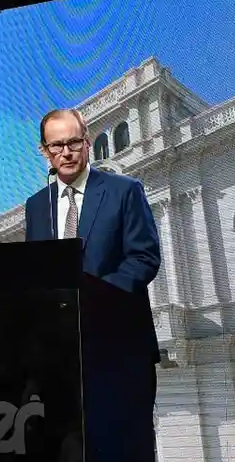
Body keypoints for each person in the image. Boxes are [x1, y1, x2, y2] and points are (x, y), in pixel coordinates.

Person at [23, 108, 161, 376]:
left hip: (120, 348)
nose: (66, 152)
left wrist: (93, 297)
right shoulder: (36, 206)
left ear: (87, 141)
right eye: (57, 145)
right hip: (60, 356)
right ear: (45, 151)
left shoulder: (125, 190)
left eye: (74, 142)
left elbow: (144, 258)